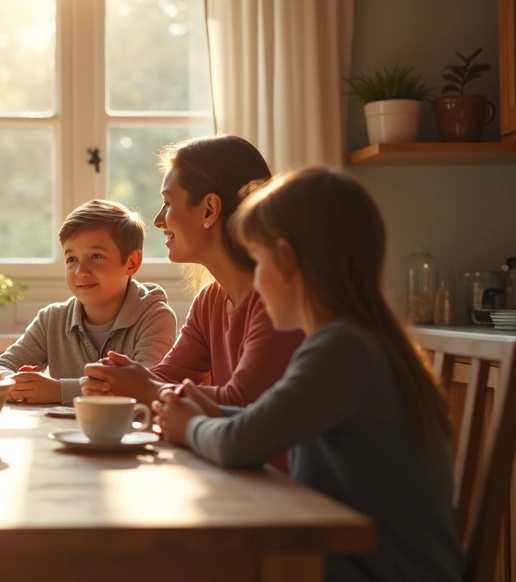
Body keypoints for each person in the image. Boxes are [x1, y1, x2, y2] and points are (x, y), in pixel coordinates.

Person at [153, 168, 463, 581]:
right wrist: (209, 412)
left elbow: (241, 443)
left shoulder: (342, 349)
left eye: (257, 262)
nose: (255, 280)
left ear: (285, 260)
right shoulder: (355, 339)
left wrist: (189, 426)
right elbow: (263, 422)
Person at [83, 135, 304, 409]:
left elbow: (242, 402)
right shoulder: (210, 300)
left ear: (209, 210)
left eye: (168, 203)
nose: (158, 220)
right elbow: (167, 377)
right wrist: (116, 381)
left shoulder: (276, 299)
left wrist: (144, 387)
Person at [0, 199, 176, 404]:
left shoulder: (156, 318)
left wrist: (58, 391)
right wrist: (13, 384)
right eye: (72, 259)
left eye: (96, 256)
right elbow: (1, 366)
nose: (81, 272)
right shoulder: (51, 319)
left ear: (131, 262)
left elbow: (145, 387)